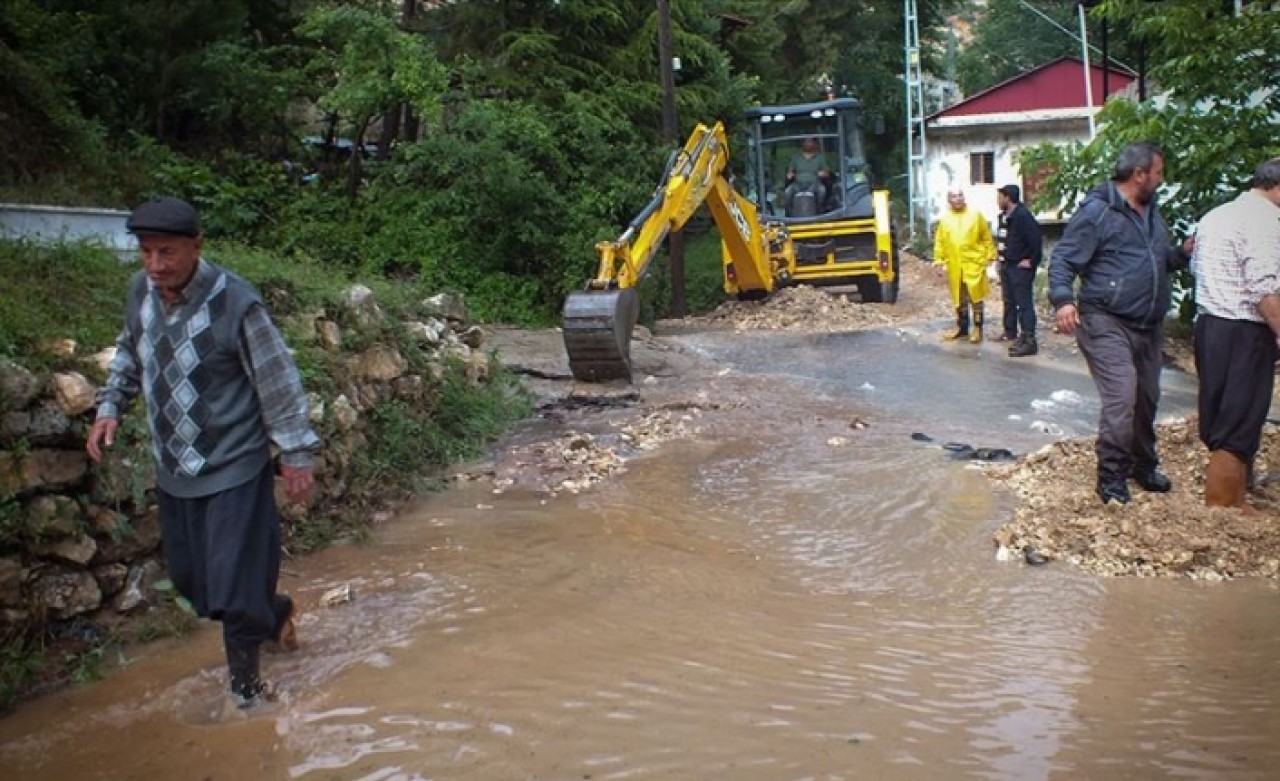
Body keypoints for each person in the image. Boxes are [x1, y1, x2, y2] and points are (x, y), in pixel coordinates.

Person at [86, 196, 321, 708]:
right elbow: (130, 351)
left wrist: (296, 454)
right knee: (194, 582)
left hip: (236, 466)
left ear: (196, 246)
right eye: (146, 252)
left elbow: (277, 381)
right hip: (177, 467)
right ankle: (273, 616)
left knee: (234, 590)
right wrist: (110, 405)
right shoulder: (141, 292)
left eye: (166, 252)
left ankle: (247, 694)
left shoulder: (236, 302)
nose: (155, 265)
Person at [1047, 142, 1193, 505]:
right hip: (1105, 320)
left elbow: (1156, 262)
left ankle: (1142, 466)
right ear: (1139, 174)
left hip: (1148, 325)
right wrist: (1063, 301)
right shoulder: (1097, 213)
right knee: (1122, 398)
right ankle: (1111, 478)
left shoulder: (1152, 214)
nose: (1161, 179)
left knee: (1146, 399)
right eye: (1158, 173)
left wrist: (1181, 254)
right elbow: (1063, 259)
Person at [1191, 157, 1280, 510]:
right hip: (1244, 331)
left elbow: (1197, 268)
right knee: (1237, 428)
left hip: (1211, 327)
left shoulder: (1216, 216)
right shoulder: (1265, 221)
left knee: (1222, 422)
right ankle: (1223, 514)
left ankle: (1235, 504)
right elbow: (1264, 289)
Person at [933, 186, 996, 343]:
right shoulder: (945, 220)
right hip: (955, 265)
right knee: (959, 298)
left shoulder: (975, 216)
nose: (958, 199)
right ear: (949, 200)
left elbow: (986, 237)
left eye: (960, 195)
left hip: (973, 263)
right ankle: (962, 328)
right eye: (954, 196)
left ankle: (978, 328)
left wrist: (990, 255)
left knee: (976, 297)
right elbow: (940, 242)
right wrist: (939, 261)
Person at [995, 184, 1044, 356]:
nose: (998, 201)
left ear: (1008, 198)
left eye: (1000, 197)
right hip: (1007, 265)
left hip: (1020, 267)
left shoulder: (1023, 216)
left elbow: (1036, 239)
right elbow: (1003, 239)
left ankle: (1029, 340)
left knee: (1024, 303)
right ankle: (1011, 333)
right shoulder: (1004, 217)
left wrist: (1031, 261)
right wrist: (999, 259)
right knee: (1009, 300)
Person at [783, 137, 831, 216]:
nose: (808, 144)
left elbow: (827, 173)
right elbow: (790, 171)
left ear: (814, 144)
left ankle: (819, 213)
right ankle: (789, 215)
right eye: (806, 142)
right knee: (787, 192)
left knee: (822, 191)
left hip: (815, 184)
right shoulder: (796, 157)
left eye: (810, 142)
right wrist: (790, 174)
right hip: (797, 184)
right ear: (803, 144)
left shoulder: (820, 157)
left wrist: (823, 173)